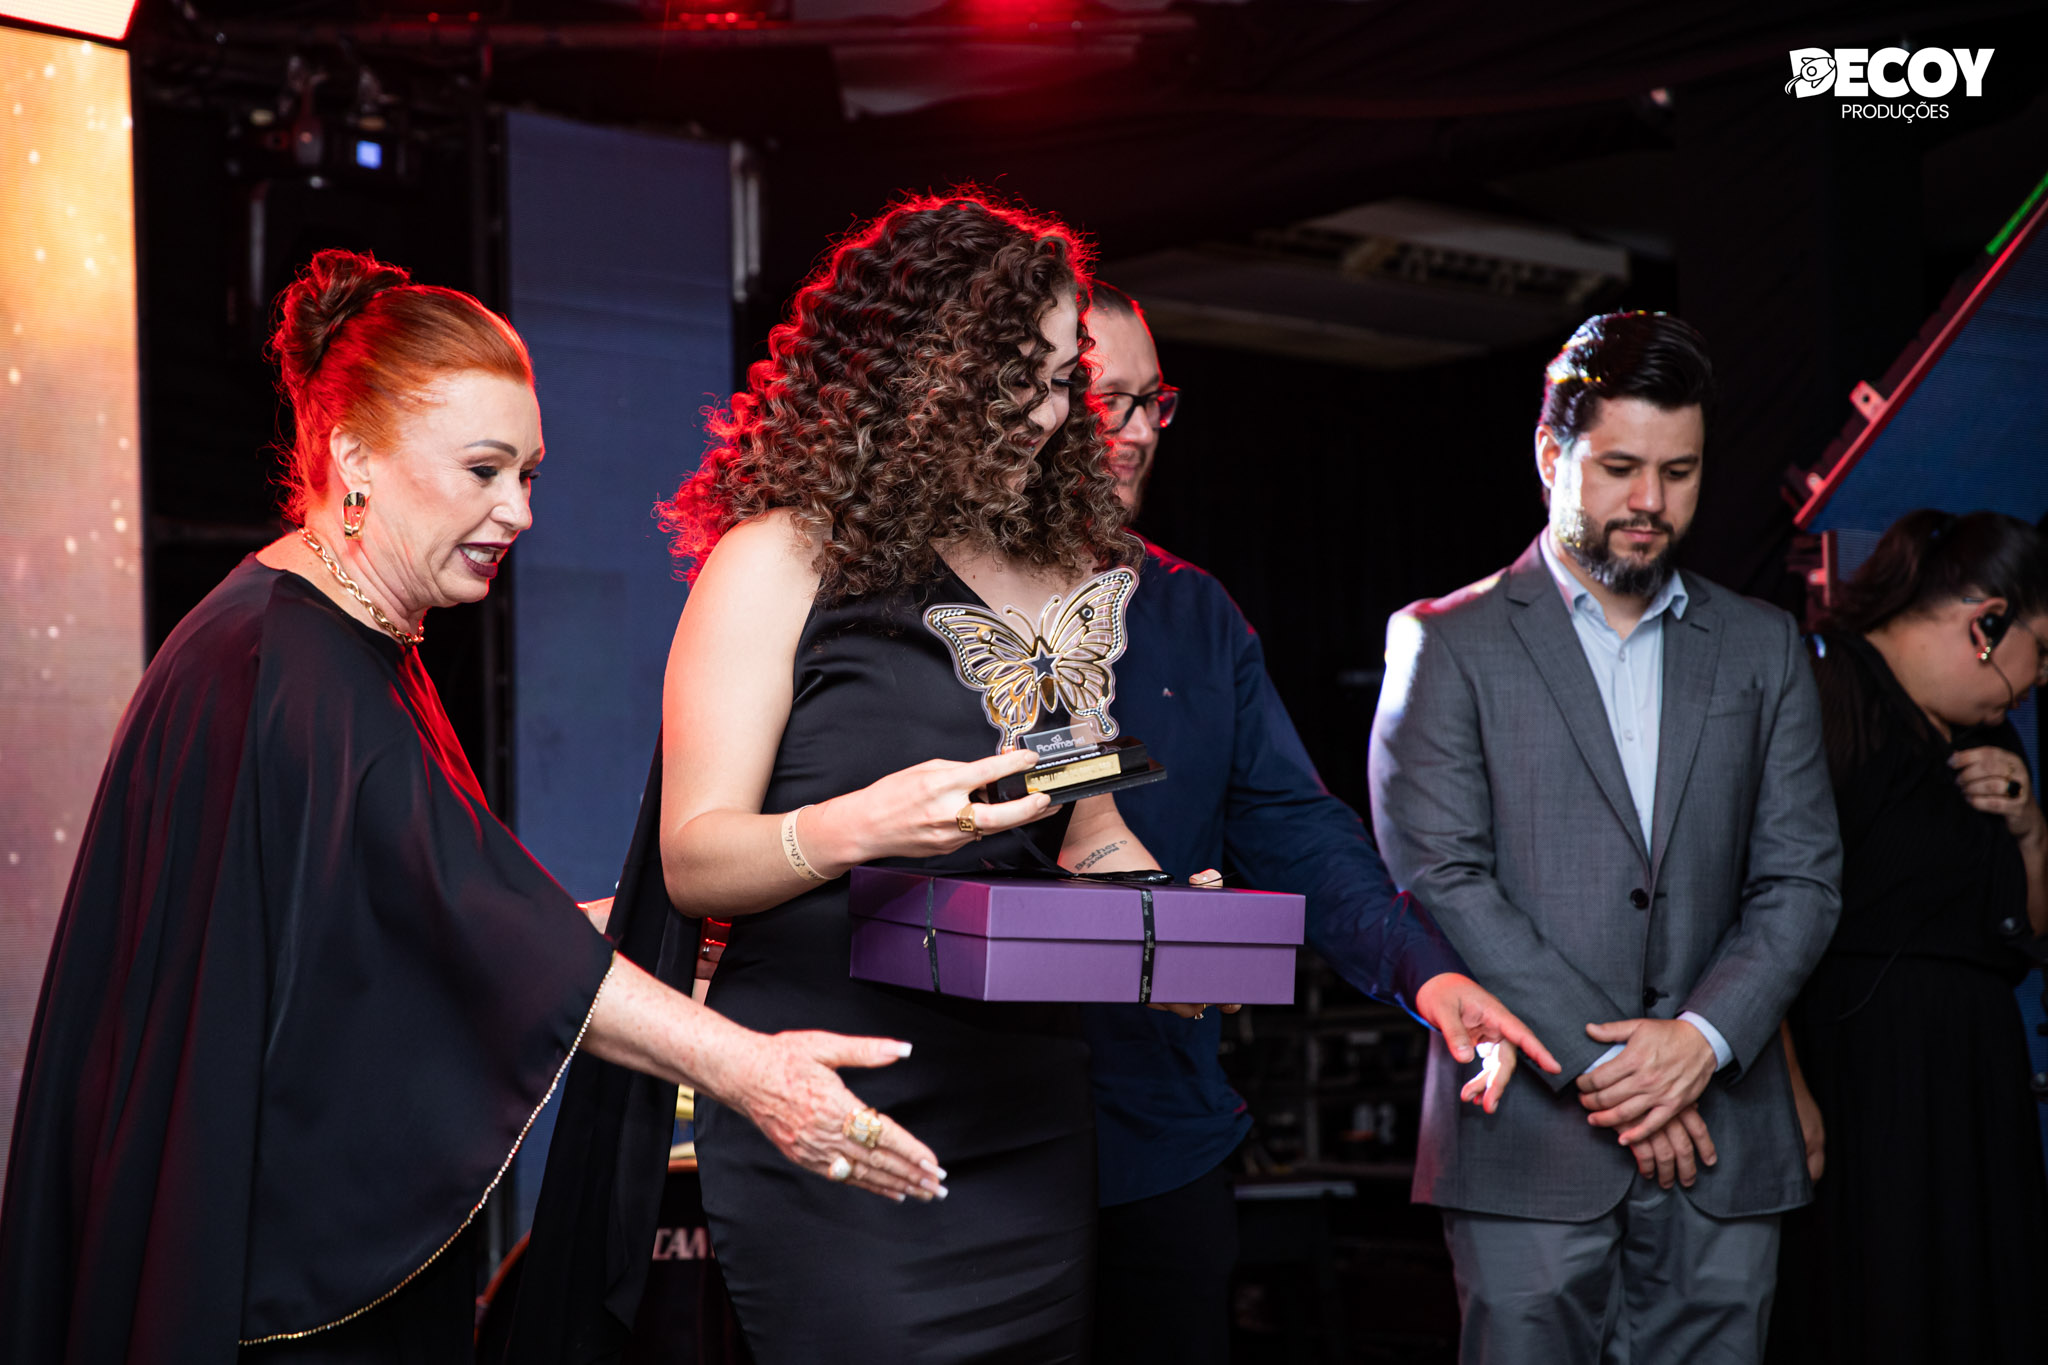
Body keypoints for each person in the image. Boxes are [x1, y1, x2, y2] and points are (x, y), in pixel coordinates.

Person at [0, 250, 939, 1365]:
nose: (519, 511)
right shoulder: (289, 666)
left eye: (528, 474)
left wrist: (661, 931)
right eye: (485, 470)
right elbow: (483, 924)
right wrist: (750, 1070)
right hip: (273, 1290)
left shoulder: (337, 638)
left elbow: (421, 921)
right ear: (354, 456)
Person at [655, 196, 1193, 1364]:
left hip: (1024, 1110)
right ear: (922, 367)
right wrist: (860, 826)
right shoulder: (776, 558)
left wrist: (1167, 934)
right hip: (835, 1098)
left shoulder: (1059, 567)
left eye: (1060, 381)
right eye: (1017, 379)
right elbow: (691, 860)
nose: (1048, 415)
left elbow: (1089, 830)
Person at [1079, 284, 1560, 1364]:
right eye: (1105, 400)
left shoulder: (1194, 614)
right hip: (979, 1142)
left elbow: (1296, 830)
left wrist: (1425, 975)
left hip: (1162, 1140)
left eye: (1152, 401)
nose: (1138, 432)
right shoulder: (930, 602)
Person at [1367, 311, 1843, 1364]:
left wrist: (1700, 1041)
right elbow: (1440, 877)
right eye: (1620, 468)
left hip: (1727, 1135)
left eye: (1679, 471)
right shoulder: (1444, 641)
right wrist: (1624, 1074)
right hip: (1526, 1148)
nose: (1650, 503)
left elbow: (1802, 880)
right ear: (1550, 454)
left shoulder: (1764, 646)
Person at [1767, 509, 2048, 1364]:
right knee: (1876, 1296)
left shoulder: (1989, 733)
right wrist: (1783, 1081)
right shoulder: (1826, 688)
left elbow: (2029, 931)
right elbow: (1754, 901)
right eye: (2040, 650)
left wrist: (2032, 830)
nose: (2039, 679)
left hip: (1972, 1075)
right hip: (1861, 1068)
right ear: (1987, 623)